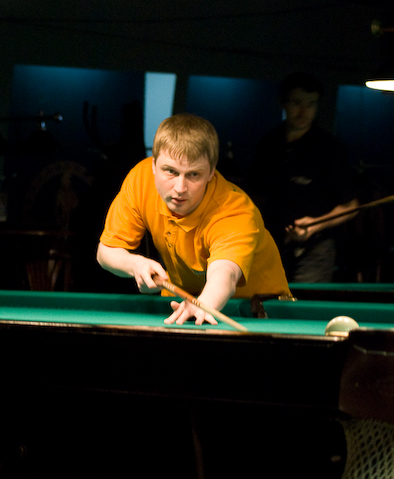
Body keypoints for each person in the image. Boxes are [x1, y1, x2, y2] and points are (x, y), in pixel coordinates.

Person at [97, 113, 290, 326]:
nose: (180, 188)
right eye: (170, 171)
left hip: (259, 313)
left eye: (194, 174)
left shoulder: (233, 210)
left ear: (211, 172)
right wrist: (134, 264)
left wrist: (204, 303)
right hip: (186, 307)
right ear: (153, 165)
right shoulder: (141, 180)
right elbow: (106, 252)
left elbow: (225, 274)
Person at [248, 72, 359, 283]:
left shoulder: (329, 148)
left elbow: (351, 206)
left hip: (314, 249)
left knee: (304, 298)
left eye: (310, 104)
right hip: (269, 246)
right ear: (283, 103)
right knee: (266, 300)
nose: (303, 111)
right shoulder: (269, 144)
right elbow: (255, 196)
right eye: (296, 103)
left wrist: (314, 225)